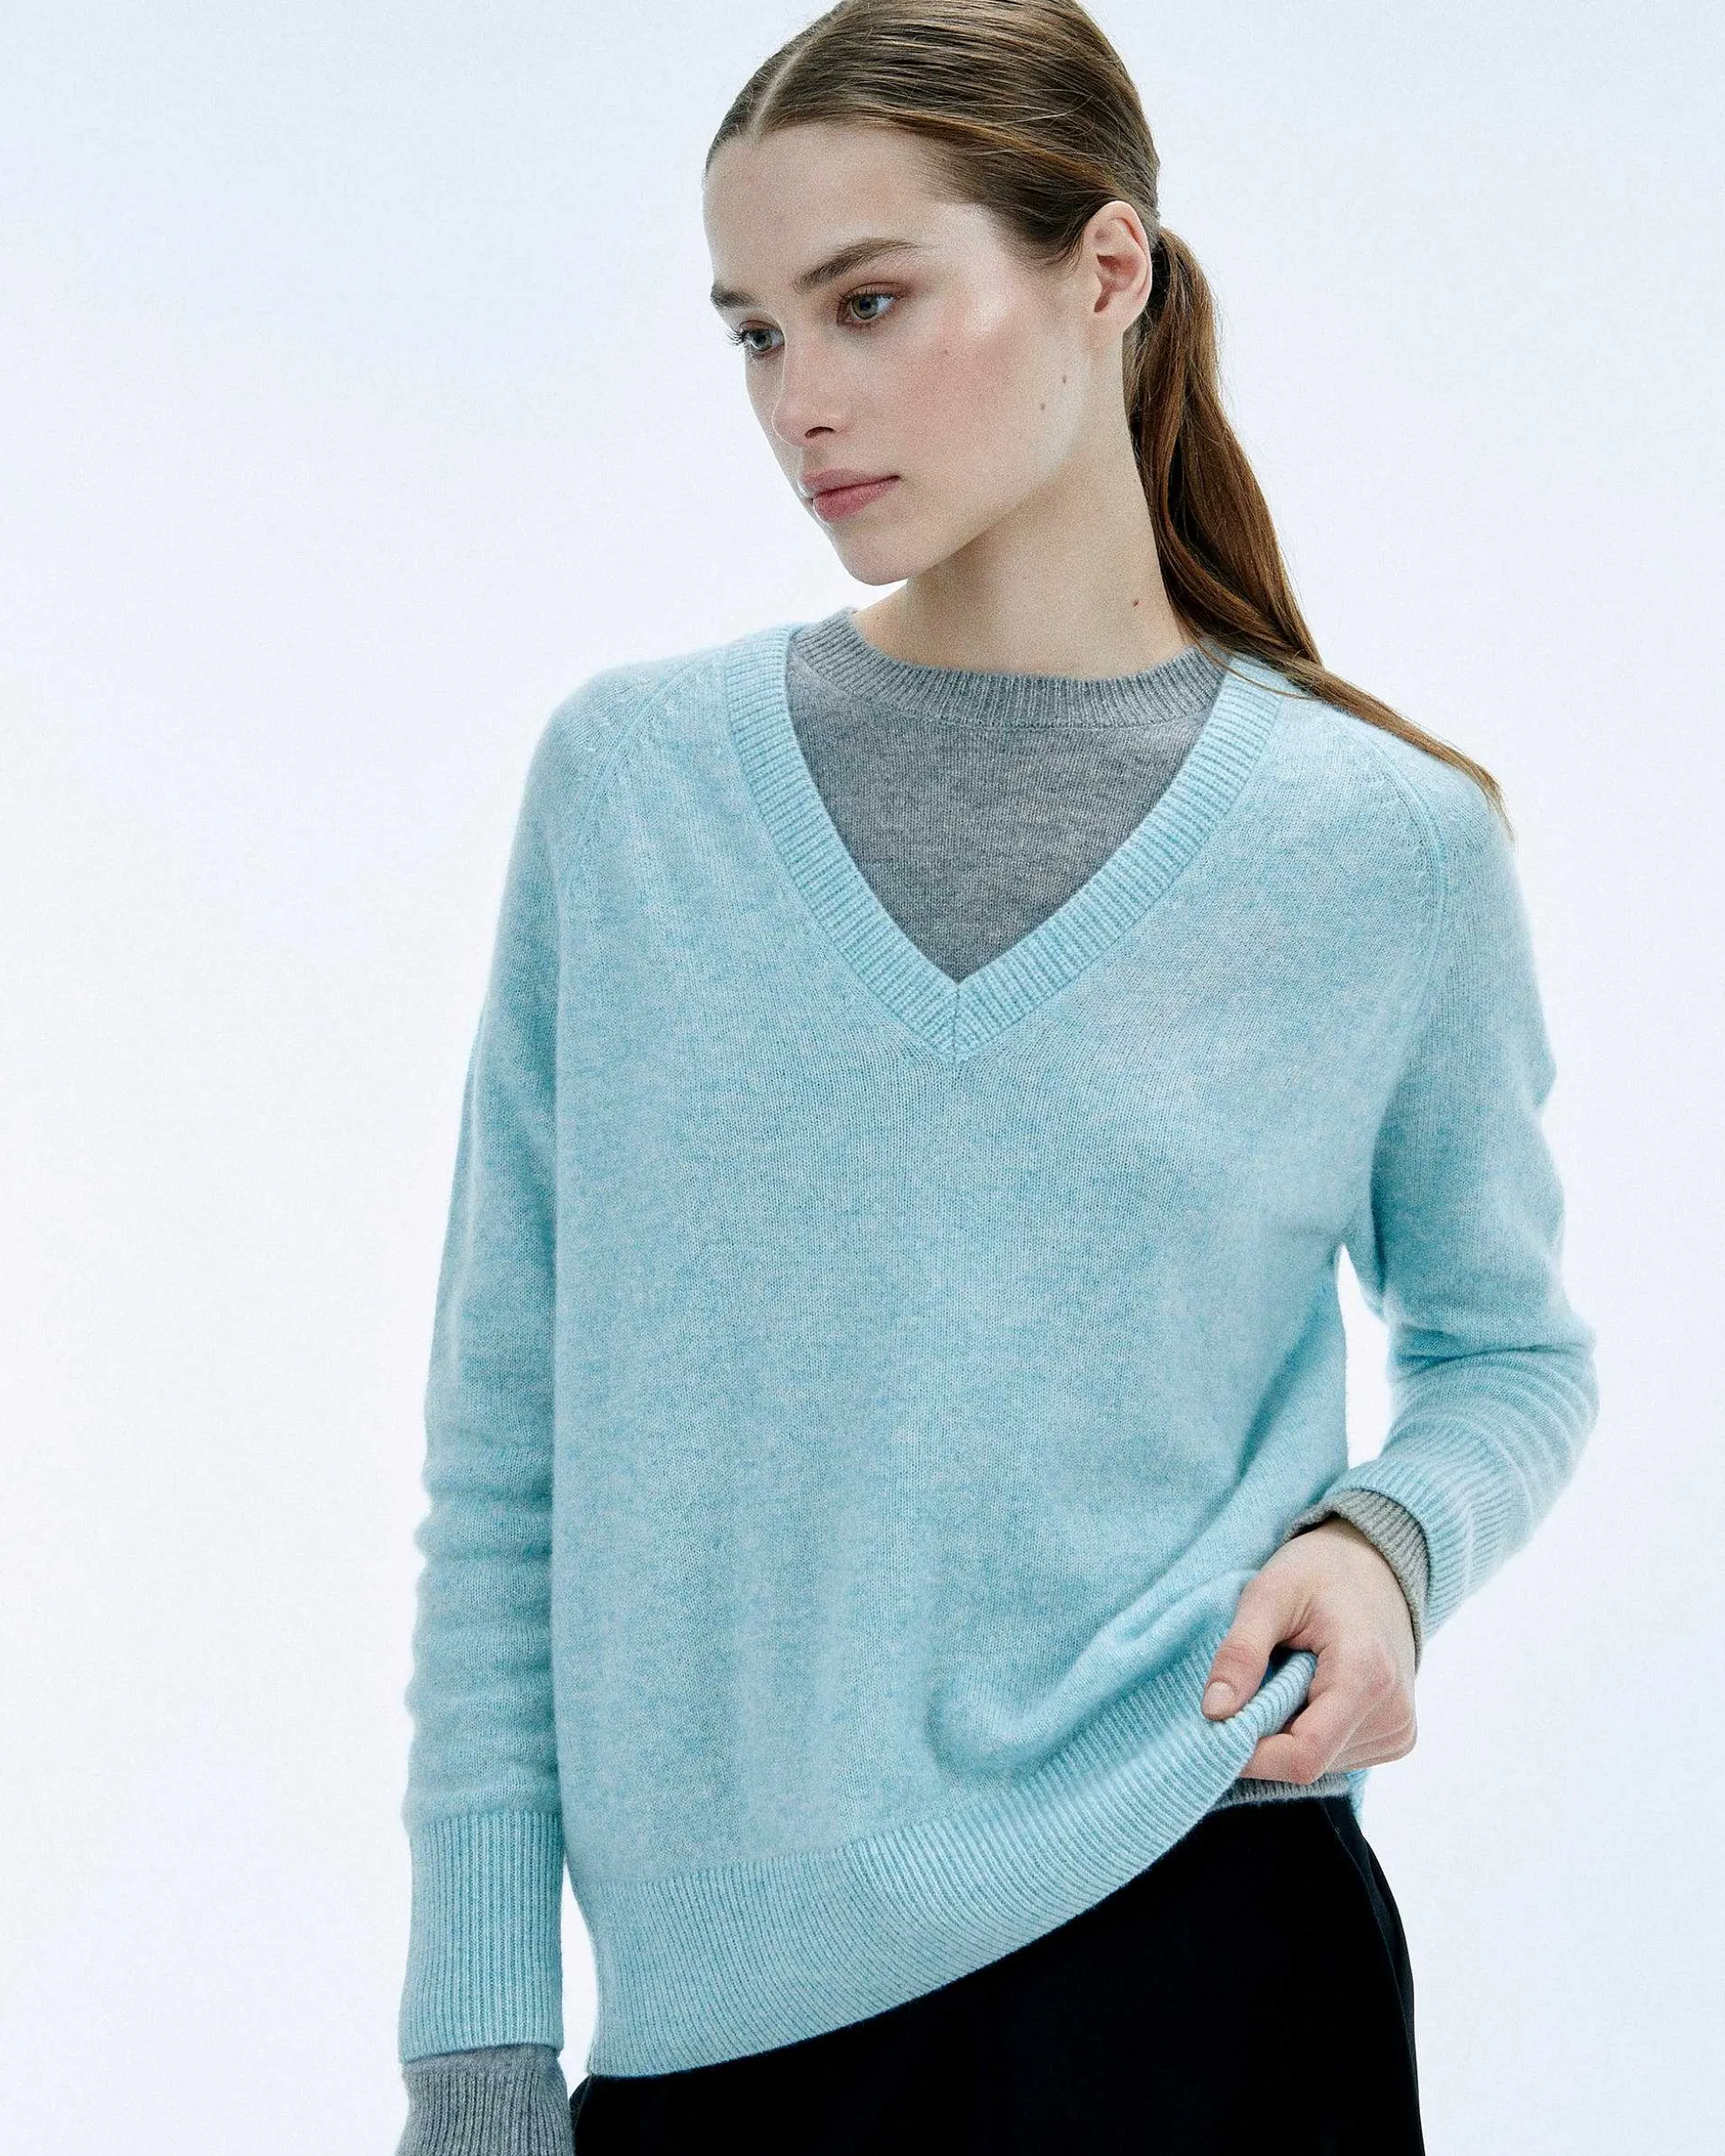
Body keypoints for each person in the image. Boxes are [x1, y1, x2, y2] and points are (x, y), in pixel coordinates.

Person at [391, 4, 1599, 2151]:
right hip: (726, 2031)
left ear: (1103, 268)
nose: (800, 398)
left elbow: (1507, 1351)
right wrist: (473, 2041)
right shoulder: (635, 788)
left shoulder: (1380, 848)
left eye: (866, 302)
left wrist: (1386, 1543)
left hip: (1206, 1947)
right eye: (753, 332)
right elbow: (508, 1450)